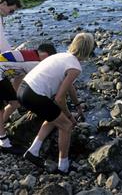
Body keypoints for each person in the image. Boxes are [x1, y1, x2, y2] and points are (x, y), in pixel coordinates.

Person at [17, 32, 94, 174]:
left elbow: (69, 87)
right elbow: (59, 98)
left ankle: (33, 151)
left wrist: (77, 105)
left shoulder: (61, 56)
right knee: (66, 126)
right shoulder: (75, 67)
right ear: (88, 49)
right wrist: (70, 117)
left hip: (23, 90)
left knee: (53, 117)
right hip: (34, 95)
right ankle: (63, 166)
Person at [0, 43, 56, 154]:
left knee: (14, 102)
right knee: (0, 109)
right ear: (45, 55)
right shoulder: (34, 63)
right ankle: (4, 143)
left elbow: (18, 78)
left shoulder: (28, 54)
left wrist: (22, 100)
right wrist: (33, 106)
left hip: (1, 71)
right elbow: (35, 86)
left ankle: (1, 126)